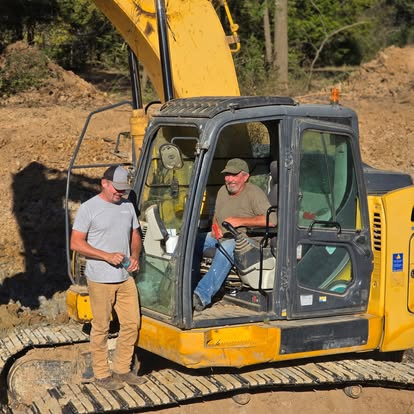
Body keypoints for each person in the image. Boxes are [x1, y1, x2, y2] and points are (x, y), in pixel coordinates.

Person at [70, 165, 147, 391]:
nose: (120, 193)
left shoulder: (127, 206)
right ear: (104, 183)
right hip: (100, 279)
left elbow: (135, 234)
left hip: (125, 277)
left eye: (124, 189)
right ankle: (102, 374)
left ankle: (122, 369)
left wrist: (134, 255)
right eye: (117, 188)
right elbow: (76, 243)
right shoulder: (88, 208)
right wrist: (106, 256)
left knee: (132, 323)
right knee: (101, 327)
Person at [193, 158, 276, 311]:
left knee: (228, 246)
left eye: (233, 175)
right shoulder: (222, 191)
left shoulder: (254, 193)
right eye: (227, 175)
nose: (229, 179)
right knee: (193, 242)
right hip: (223, 236)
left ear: (245, 176)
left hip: (248, 241)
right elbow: (216, 217)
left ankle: (201, 295)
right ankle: (188, 284)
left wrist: (240, 221)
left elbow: (272, 220)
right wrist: (214, 227)